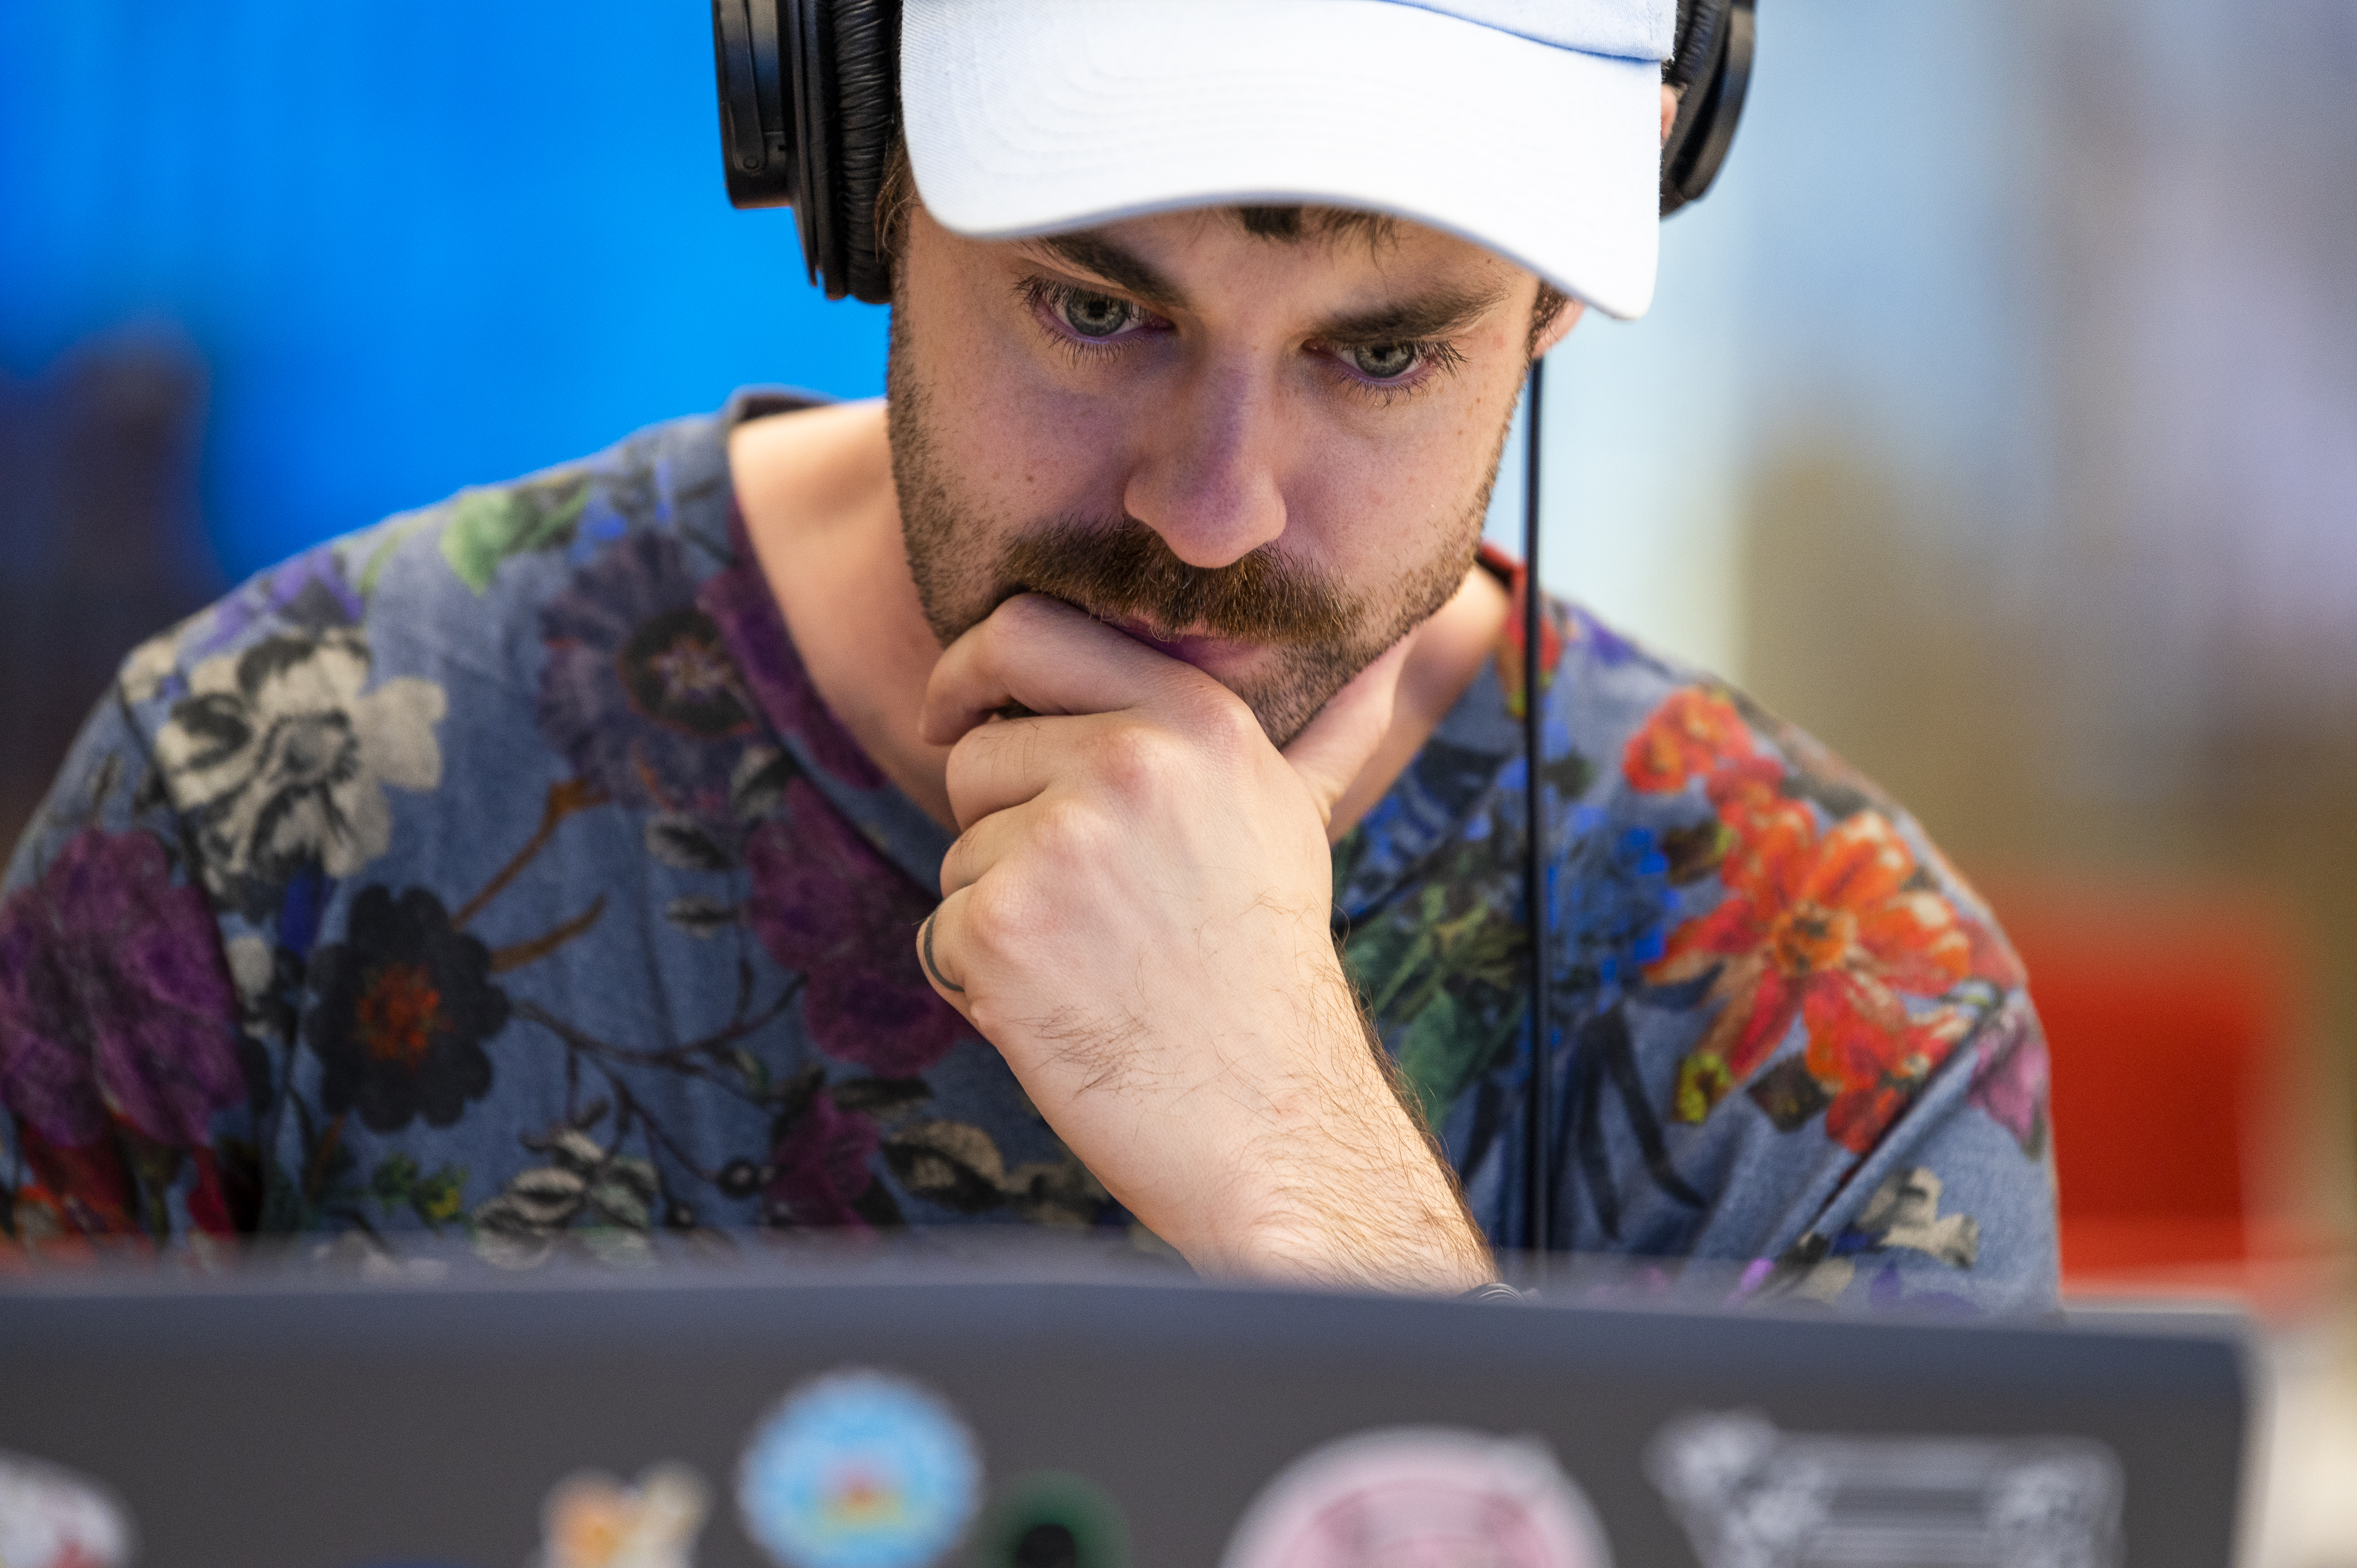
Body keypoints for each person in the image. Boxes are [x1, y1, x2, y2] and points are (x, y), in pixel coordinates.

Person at [0, 0, 2056, 1307]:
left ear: (1556, 314)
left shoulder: (1834, 1010)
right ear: (854, 155)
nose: (1214, 503)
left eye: (1382, 352)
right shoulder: (261, 803)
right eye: (1097, 309)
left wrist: (1314, 1189)